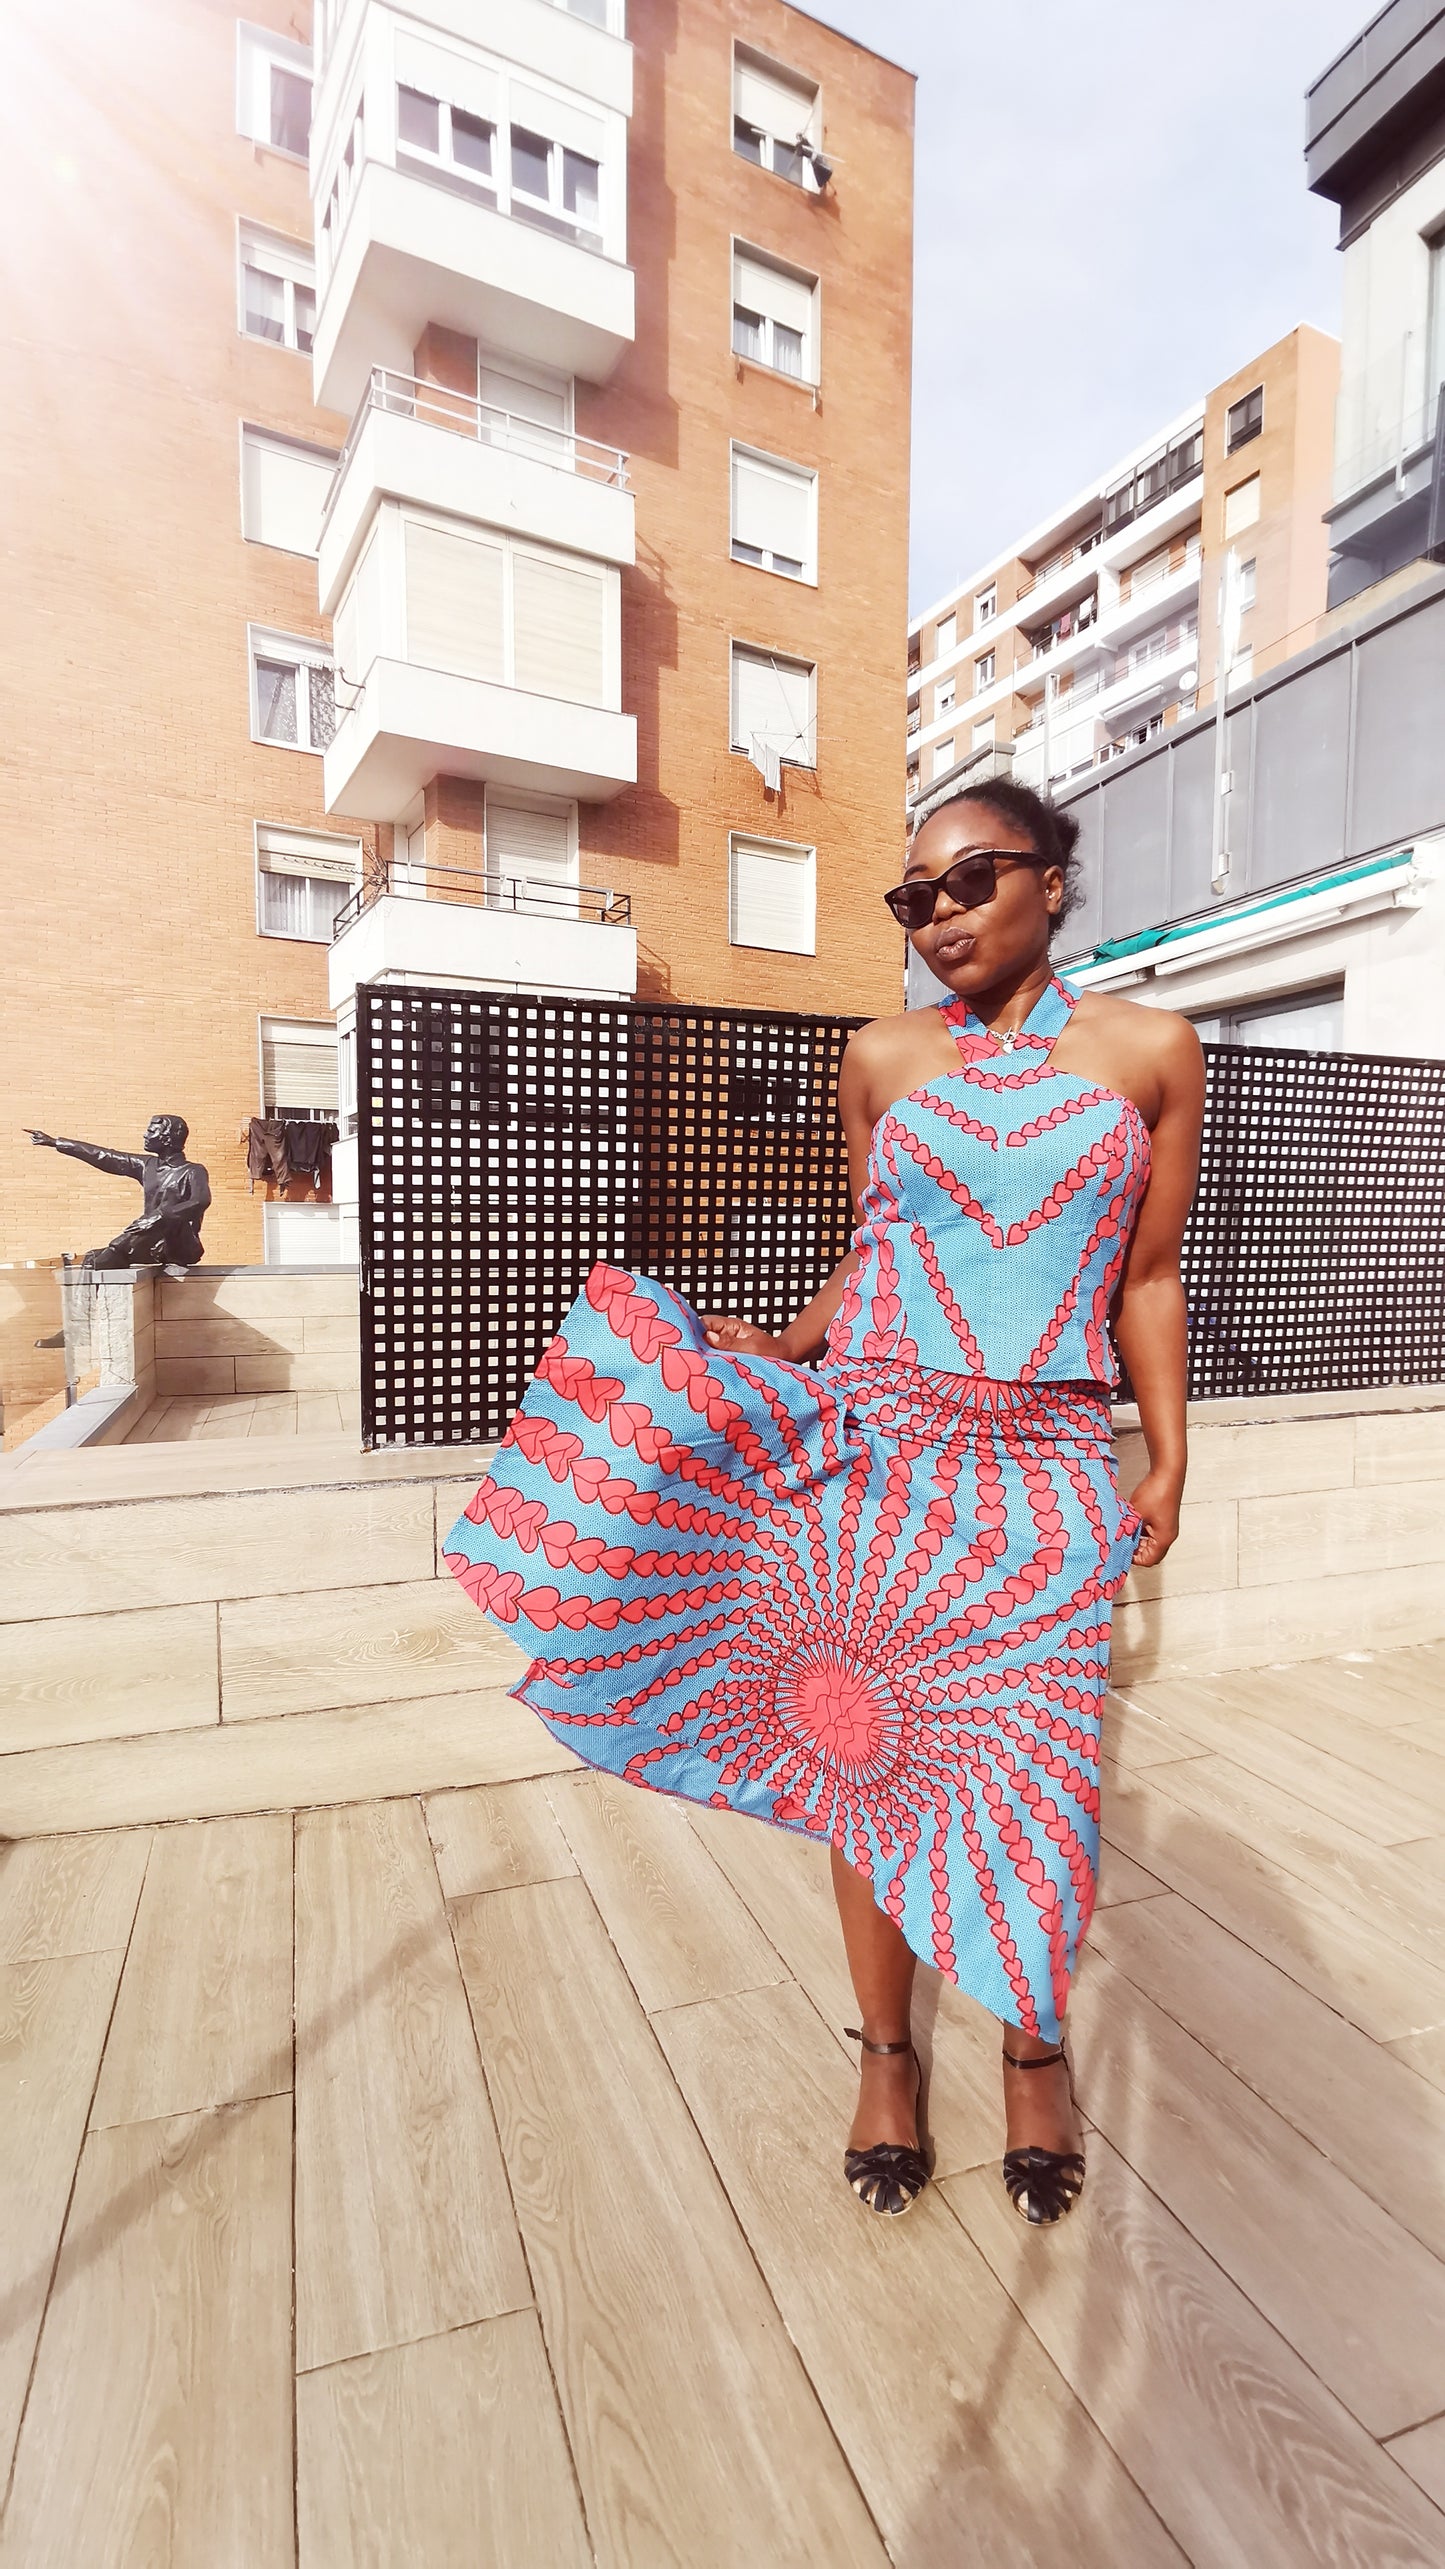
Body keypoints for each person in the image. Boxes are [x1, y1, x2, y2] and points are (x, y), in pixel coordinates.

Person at [445, 777, 1202, 2224]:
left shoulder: (1153, 1051)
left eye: (970, 881)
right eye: (913, 898)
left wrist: (1165, 1453)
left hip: (1043, 1464)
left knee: (1034, 1776)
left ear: (1052, 875)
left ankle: (1032, 2051)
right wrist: (785, 1343)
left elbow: (1148, 1276)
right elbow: (873, 1253)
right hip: (880, 1449)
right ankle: (888, 2054)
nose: (939, 918)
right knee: (876, 1761)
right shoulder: (881, 1056)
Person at [27, 1115, 211, 1276]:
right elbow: (105, 1156)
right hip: (150, 1244)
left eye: (151, 1131)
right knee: (93, 1257)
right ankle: (115, 1253)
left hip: (181, 1247)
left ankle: (116, 1251)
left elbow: (200, 1201)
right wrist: (56, 1142)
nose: (145, 1135)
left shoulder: (193, 1171)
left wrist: (159, 1216)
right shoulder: (147, 1166)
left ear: (168, 1139)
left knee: (167, 1219)